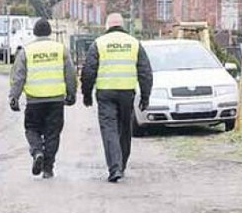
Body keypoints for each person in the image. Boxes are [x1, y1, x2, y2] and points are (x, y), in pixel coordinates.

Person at [81, 13, 153, 183]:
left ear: (107, 26)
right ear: (123, 25)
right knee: (125, 129)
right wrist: (145, 96)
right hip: (127, 92)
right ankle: (122, 165)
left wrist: (86, 94)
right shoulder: (134, 43)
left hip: (105, 93)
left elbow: (88, 71)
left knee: (109, 130)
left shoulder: (99, 43)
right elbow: (145, 72)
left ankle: (114, 168)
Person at [9, 18, 77, 179]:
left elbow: (18, 77)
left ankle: (37, 151)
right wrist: (71, 93)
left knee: (31, 129)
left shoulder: (26, 51)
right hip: (56, 100)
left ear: (34, 32)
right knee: (52, 134)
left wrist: (14, 97)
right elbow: (70, 74)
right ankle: (48, 168)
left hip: (34, 100)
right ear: (49, 32)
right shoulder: (61, 49)